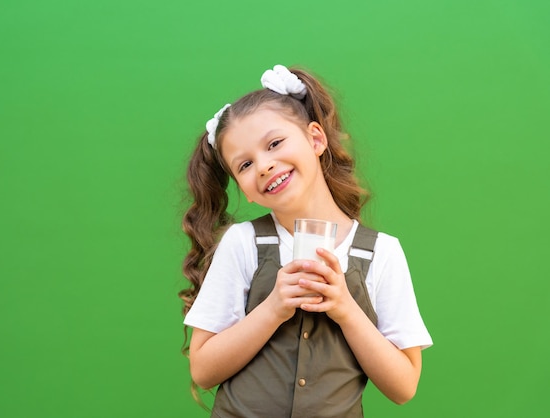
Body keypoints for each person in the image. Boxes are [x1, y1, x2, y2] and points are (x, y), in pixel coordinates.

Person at [179, 64, 432, 417]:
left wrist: (346, 310)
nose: (264, 165)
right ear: (244, 190)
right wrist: (273, 308)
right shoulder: (242, 243)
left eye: (275, 143)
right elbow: (203, 370)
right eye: (245, 165)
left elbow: (404, 386)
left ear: (316, 139)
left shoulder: (382, 253)